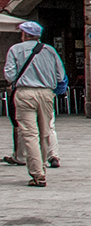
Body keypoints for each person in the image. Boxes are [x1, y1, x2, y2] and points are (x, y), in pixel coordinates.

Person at [4, 22, 64, 187]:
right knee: (45, 132)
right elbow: (60, 75)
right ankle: (42, 165)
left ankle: (38, 173)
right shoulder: (50, 51)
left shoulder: (15, 50)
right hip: (46, 93)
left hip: (25, 93)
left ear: (24, 34)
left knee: (29, 134)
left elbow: (9, 75)